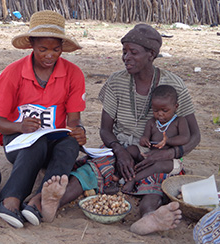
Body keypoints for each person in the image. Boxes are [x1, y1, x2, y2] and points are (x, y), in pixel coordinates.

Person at [50, 23, 200, 235]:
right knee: (90, 171)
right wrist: (119, 151)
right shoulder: (116, 82)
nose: (126, 57)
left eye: (133, 52)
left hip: (156, 154)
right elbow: (105, 130)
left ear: (151, 54)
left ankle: (149, 217)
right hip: (119, 147)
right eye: (124, 51)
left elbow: (195, 136)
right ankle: (51, 204)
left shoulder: (173, 85)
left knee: (156, 183)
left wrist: (172, 152)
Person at [0, 10, 87, 228]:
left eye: (56, 49)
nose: (49, 55)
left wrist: (78, 132)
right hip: (19, 145)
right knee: (36, 140)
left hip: (54, 145)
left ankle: (40, 200)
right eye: (42, 49)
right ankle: (9, 200)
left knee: (70, 144)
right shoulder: (13, 73)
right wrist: (20, 127)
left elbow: (73, 122)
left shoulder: (73, 74)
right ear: (31, 44)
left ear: (62, 47)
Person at [122, 84, 191, 192]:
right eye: (155, 110)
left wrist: (168, 141)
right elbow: (145, 138)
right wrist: (144, 140)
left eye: (164, 110)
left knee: (158, 166)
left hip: (170, 160)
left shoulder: (179, 121)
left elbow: (185, 138)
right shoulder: (152, 122)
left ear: (175, 107)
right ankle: (126, 172)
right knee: (131, 149)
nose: (160, 114)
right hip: (151, 154)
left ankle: (133, 179)